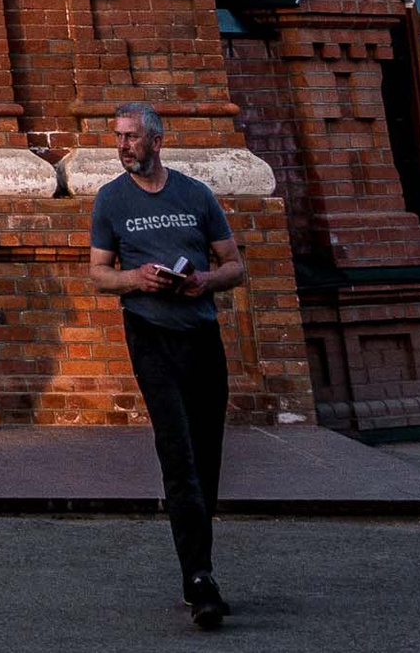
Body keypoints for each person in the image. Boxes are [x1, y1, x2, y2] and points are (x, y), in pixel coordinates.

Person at [88, 97, 246, 630]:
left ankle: (202, 563)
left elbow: (235, 265)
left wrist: (202, 280)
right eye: (117, 136)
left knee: (206, 456)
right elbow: (99, 274)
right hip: (149, 335)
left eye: (131, 136)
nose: (122, 145)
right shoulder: (110, 200)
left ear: (157, 141)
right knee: (176, 452)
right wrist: (138, 279)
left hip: (201, 335)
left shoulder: (196, 194)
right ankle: (198, 577)